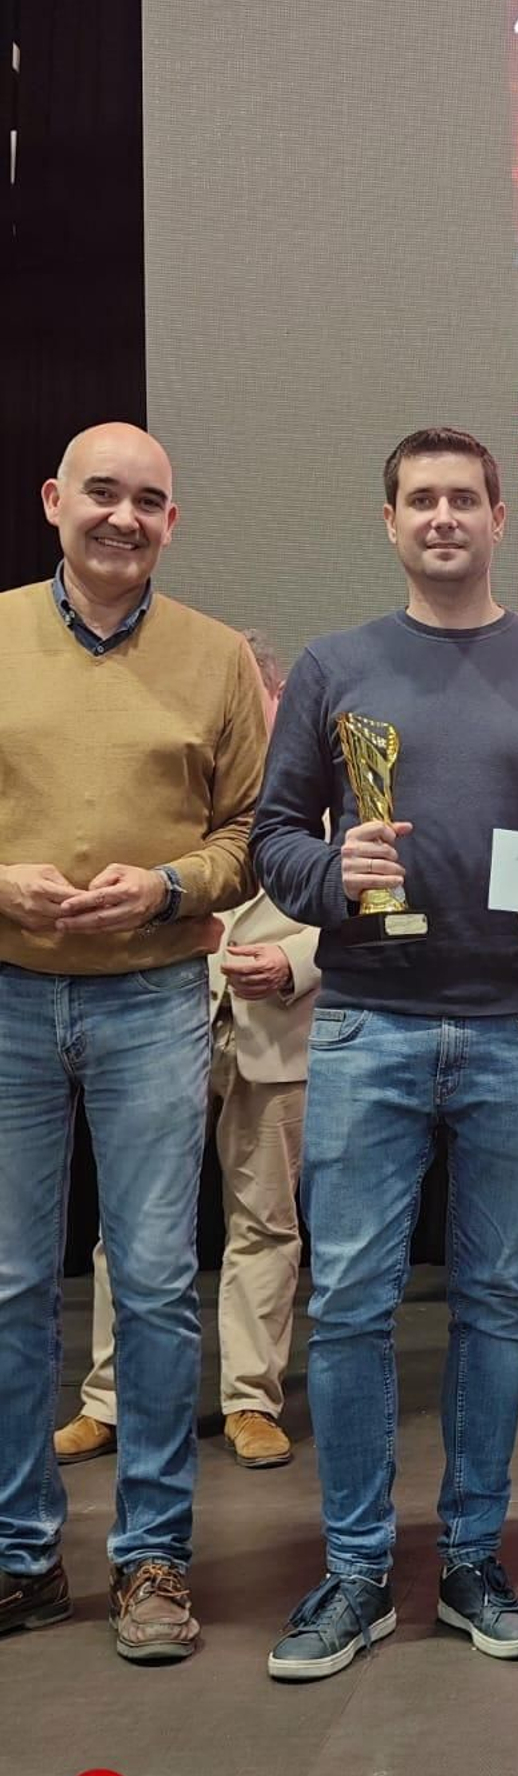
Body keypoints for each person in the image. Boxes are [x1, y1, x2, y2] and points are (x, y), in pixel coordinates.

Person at [251, 426, 518, 1682]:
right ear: (390, 520)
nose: (444, 517)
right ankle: (354, 1573)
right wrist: (332, 873)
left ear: (500, 516)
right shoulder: (333, 666)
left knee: (496, 1306)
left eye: (465, 498)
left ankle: (471, 1559)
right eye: (421, 499)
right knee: (351, 1307)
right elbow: (273, 841)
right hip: (367, 1023)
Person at [0, 422, 266, 1664]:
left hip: (155, 997)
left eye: (147, 501)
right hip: (9, 996)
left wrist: (166, 887)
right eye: (99, 493)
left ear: (173, 522)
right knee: (9, 1291)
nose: (121, 517)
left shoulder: (215, 658)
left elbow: (249, 833)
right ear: (55, 501)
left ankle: (153, 1559)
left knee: (156, 1287)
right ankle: (21, 1555)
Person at [55, 631, 317, 1475]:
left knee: (266, 1221)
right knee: (131, 1225)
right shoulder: (164, 782)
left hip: (275, 1032)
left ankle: (250, 1398)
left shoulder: (326, 787)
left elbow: (366, 901)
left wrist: (295, 963)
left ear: (272, 702)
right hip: (159, 1019)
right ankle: (109, 1400)